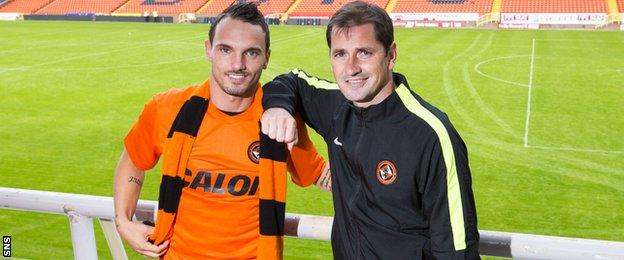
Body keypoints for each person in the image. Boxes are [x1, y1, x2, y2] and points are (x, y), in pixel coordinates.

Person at [260, 1, 479, 259]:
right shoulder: (336, 107)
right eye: (340, 54)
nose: (351, 67)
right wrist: (277, 108)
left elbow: (456, 251)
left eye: (364, 52)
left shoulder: (432, 135)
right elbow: (291, 81)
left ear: (391, 55)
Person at [113, 3, 331, 259]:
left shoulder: (279, 119)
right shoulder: (167, 107)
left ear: (266, 58)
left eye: (251, 53)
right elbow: (133, 161)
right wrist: (123, 221)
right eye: (226, 50)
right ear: (209, 50)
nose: (237, 64)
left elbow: (318, 174)